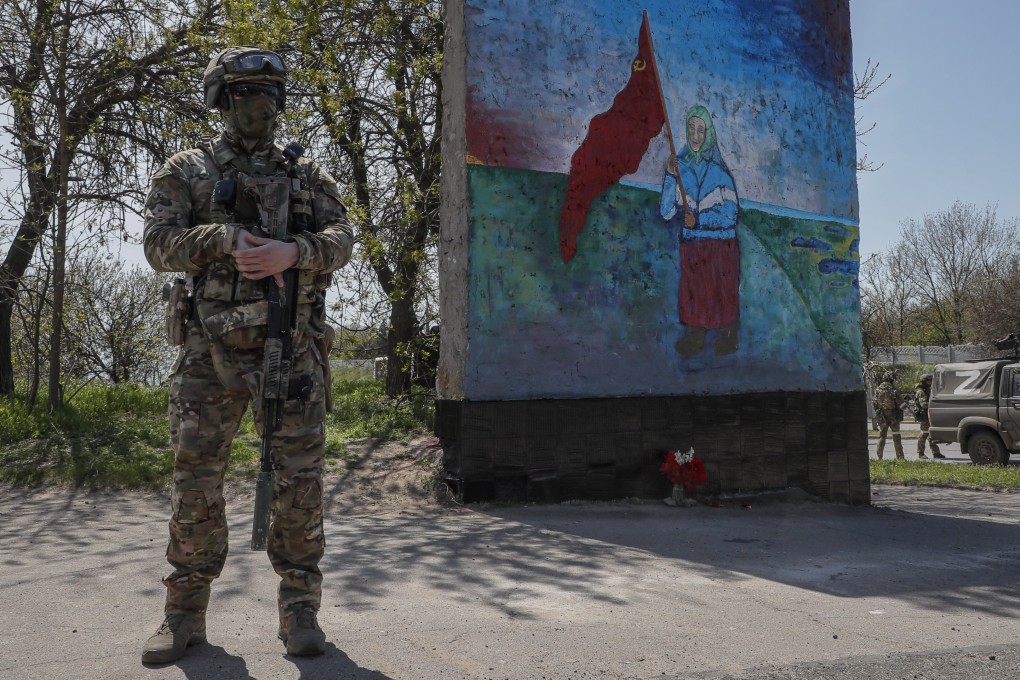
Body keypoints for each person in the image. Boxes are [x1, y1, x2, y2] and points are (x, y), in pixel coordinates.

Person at [140, 46, 354, 663]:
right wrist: (222, 237)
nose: (257, 104)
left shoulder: (307, 173)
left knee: (300, 486)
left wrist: (296, 253)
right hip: (210, 354)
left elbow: (342, 239)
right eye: (243, 93)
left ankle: (299, 612)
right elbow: (157, 244)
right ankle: (183, 615)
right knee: (196, 485)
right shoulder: (189, 168)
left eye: (267, 93)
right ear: (221, 101)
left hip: (293, 349)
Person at [659, 104, 740, 357]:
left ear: (709, 134)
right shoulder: (679, 167)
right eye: (691, 129)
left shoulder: (720, 173)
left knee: (721, 291)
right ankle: (695, 336)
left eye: (701, 130)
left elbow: (730, 214)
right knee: (694, 292)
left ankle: (728, 335)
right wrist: (671, 176)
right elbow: (666, 212)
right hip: (692, 245)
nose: (695, 136)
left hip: (721, 245)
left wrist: (701, 221)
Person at [874, 370, 904, 460]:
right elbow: (902, 405)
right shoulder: (893, 391)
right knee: (896, 435)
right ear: (891, 379)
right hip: (894, 416)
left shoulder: (877, 390)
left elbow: (875, 403)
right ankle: (900, 457)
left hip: (881, 416)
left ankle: (879, 456)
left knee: (882, 436)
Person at [914, 373, 945, 459]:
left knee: (932, 434)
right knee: (924, 434)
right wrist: (934, 405)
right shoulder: (920, 392)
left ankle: (936, 452)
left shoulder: (927, 389)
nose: (931, 382)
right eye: (929, 381)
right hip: (924, 415)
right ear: (924, 381)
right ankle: (920, 453)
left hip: (929, 414)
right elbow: (923, 405)